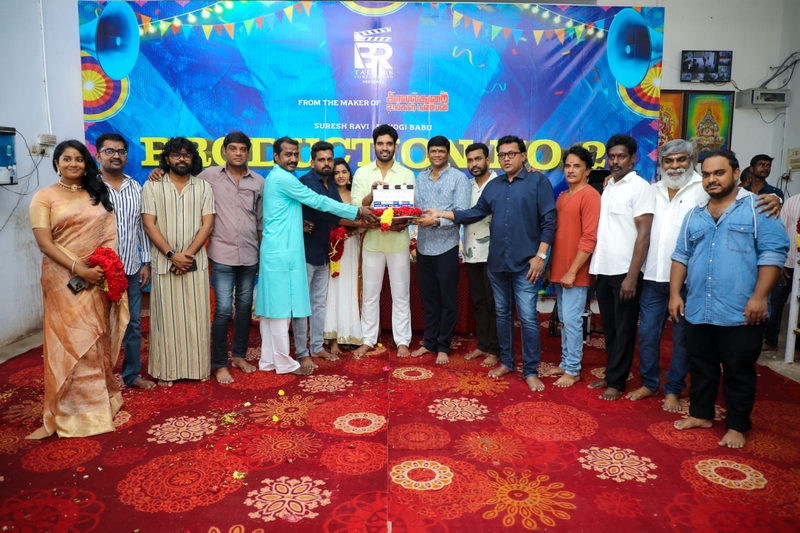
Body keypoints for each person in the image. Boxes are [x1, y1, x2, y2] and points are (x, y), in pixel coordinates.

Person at [670, 149, 788, 449]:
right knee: (701, 365)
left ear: (736, 174)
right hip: (699, 306)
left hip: (742, 309)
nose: (712, 179)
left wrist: (760, 297)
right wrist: (675, 294)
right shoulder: (695, 215)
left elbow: (773, 254)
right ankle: (701, 414)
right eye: (707, 174)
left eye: (719, 173)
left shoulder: (759, 208)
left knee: (739, 369)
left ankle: (737, 425)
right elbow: (681, 255)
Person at [426, 135, 556, 391]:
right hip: (497, 264)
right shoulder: (494, 186)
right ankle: (506, 361)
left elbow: (549, 221)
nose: (506, 158)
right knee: (502, 315)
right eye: (502, 155)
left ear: (523, 156)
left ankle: (530, 370)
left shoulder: (537, 181)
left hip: (526, 265)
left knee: (528, 319)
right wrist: (441, 213)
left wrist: (540, 256)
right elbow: (474, 212)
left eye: (511, 154)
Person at [28, 140, 130, 438]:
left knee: (95, 338)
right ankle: (70, 411)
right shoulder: (44, 197)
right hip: (62, 279)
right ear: (57, 163)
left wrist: (101, 269)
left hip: (95, 277)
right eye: (66, 159)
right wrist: (79, 269)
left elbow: (109, 236)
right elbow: (45, 243)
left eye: (78, 159)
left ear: (86, 164)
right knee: (70, 339)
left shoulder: (95, 194)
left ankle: (98, 404)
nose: (73, 164)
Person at [147, 132, 264, 384]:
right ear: (224, 151)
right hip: (221, 254)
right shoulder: (208, 177)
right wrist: (159, 171)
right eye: (233, 148)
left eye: (243, 149)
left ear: (248, 152)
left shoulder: (258, 182)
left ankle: (239, 356)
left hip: (250, 253)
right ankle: (220, 364)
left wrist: (261, 252)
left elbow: (260, 221)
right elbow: (180, 174)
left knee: (244, 307)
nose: (238, 153)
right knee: (223, 310)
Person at [255, 137, 377, 375]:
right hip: (282, 252)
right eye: (287, 154)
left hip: (284, 250)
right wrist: (356, 211)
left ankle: (271, 360)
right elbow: (317, 202)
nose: (292, 159)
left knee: (275, 311)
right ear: (276, 157)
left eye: (295, 154)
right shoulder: (284, 179)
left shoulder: (280, 177)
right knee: (280, 312)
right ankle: (286, 362)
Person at [142, 137, 215, 386]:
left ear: (193, 159)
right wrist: (172, 255)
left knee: (196, 319)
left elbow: (207, 225)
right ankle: (166, 371)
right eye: (176, 155)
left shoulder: (203, 187)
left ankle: (199, 369)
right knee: (166, 321)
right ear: (167, 159)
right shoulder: (152, 186)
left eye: (186, 155)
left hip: (195, 263)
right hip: (165, 263)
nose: (181, 159)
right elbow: (149, 224)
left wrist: (187, 255)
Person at [588, 134, 654, 401]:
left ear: (633, 158)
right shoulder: (610, 186)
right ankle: (611, 374)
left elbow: (644, 234)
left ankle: (617, 382)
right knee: (611, 328)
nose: (615, 161)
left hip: (625, 272)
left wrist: (632, 276)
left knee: (625, 329)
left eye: (621, 156)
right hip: (604, 268)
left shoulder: (639, 187)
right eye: (612, 156)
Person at [294, 142, 366, 363]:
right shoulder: (307, 182)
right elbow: (326, 209)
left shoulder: (331, 184)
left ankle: (317, 347)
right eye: (321, 159)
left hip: (325, 252)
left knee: (319, 303)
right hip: (306, 252)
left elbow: (335, 215)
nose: (326, 163)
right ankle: (302, 352)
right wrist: (361, 218)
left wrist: (361, 219)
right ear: (312, 162)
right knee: (302, 304)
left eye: (329, 159)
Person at [351, 125, 416, 358]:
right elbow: (357, 206)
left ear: (395, 146)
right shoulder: (362, 173)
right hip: (372, 242)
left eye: (389, 144)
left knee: (401, 294)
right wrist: (373, 194)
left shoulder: (406, 174)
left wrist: (401, 220)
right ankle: (368, 340)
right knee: (370, 294)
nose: (384, 148)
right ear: (374, 146)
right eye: (380, 143)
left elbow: (408, 208)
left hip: (398, 242)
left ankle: (402, 340)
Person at [95, 133, 154, 391]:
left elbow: (142, 227)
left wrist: (146, 262)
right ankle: (98, 378)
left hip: (130, 268)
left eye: (121, 151)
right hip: (98, 272)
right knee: (98, 326)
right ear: (98, 155)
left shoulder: (135, 187)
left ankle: (131, 375)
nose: (116, 156)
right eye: (110, 151)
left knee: (133, 325)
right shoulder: (91, 187)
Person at [542, 146, 600, 387]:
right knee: (565, 319)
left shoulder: (591, 196)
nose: (571, 170)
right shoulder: (563, 196)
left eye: (577, 166)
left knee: (573, 320)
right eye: (568, 166)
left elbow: (589, 238)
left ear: (587, 171)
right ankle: (566, 363)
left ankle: (573, 369)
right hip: (560, 268)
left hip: (576, 271)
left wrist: (573, 271)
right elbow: (556, 235)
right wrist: (550, 266)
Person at [414, 136, 471, 364]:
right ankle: (429, 342)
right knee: (428, 299)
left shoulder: (459, 178)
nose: (437, 155)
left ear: (448, 154)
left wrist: (437, 221)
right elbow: (417, 208)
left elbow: (461, 212)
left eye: (441, 151)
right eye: (433, 151)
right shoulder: (421, 177)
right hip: (423, 246)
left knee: (447, 299)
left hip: (447, 247)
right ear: (428, 154)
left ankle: (444, 346)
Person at [461, 143, 500, 367]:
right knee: (478, 302)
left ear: (488, 160)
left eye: (478, 159)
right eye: (470, 160)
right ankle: (483, 345)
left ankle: (495, 349)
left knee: (493, 303)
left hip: (493, 254)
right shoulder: (466, 186)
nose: (474, 164)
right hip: (470, 252)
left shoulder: (500, 183)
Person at [323, 158, 366, 353]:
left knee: (350, 288)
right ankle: (332, 339)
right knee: (334, 289)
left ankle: (348, 334)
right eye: (336, 172)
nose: (340, 175)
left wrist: (356, 229)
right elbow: (331, 218)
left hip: (353, 246)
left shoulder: (355, 196)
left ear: (349, 175)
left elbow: (364, 216)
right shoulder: (329, 195)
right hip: (333, 247)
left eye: (344, 172)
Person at [763, 193, 800, 351]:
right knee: (774, 302)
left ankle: (798, 348)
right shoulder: (792, 202)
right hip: (788, 264)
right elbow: (780, 232)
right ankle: (771, 342)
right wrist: (779, 264)